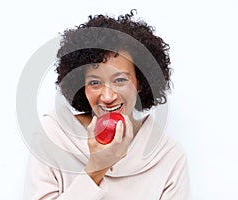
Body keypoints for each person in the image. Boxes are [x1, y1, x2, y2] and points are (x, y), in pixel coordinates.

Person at [24, 9, 190, 200]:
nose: (108, 96)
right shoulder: (53, 135)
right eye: (95, 82)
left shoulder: (169, 157)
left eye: (120, 80)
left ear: (141, 83)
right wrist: (96, 168)